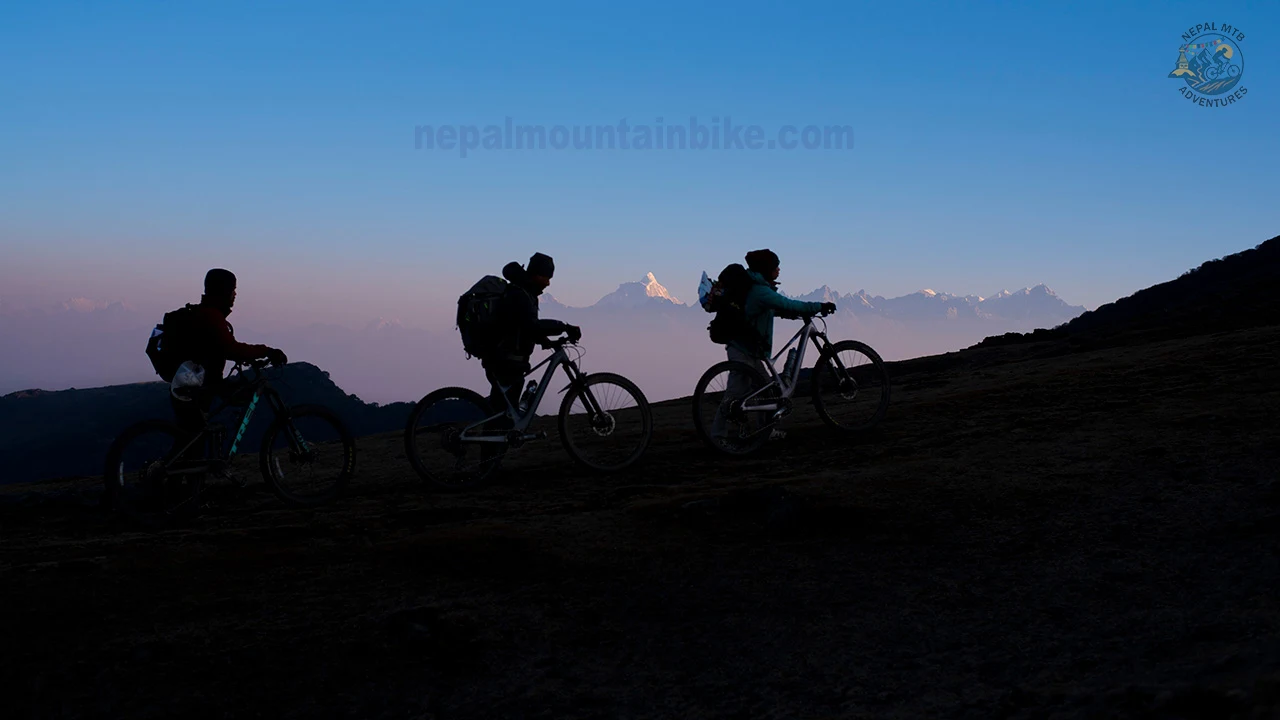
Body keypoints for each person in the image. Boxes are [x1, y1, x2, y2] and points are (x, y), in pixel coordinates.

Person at [712, 248, 835, 443]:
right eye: (775, 267)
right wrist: (819, 306)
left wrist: (788, 314)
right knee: (737, 396)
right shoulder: (761, 291)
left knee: (764, 391)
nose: (778, 270)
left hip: (747, 347)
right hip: (745, 350)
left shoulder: (756, 288)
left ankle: (763, 431)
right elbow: (789, 304)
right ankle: (718, 437)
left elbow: (770, 309)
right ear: (766, 269)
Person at [169, 269, 288, 436]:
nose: (235, 294)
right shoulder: (211, 317)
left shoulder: (205, 313)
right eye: (233, 289)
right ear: (223, 290)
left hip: (190, 384)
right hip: (196, 388)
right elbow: (232, 349)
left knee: (191, 438)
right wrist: (267, 351)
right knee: (192, 441)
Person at [483, 253, 581, 427]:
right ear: (537, 274)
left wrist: (545, 340)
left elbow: (521, 325)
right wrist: (564, 327)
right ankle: (491, 451)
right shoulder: (519, 294)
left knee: (503, 411)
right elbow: (531, 325)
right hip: (506, 361)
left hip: (506, 360)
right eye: (547, 277)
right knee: (502, 417)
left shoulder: (524, 292)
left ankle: (494, 448)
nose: (549, 283)